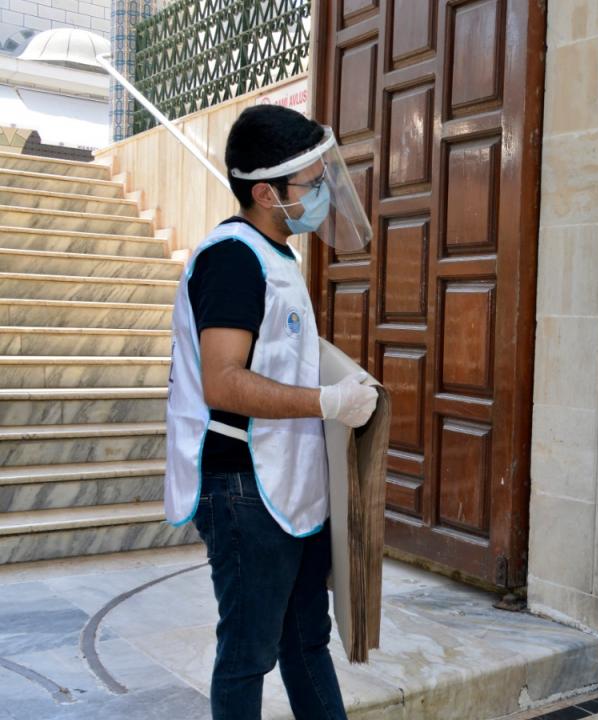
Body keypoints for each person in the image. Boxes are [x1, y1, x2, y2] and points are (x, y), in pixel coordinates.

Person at [164, 105, 377, 720]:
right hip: (243, 486)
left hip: (290, 479)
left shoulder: (275, 254)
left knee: (306, 639)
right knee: (248, 653)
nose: (322, 196)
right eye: (312, 185)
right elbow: (223, 382)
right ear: (266, 192)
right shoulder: (232, 258)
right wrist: (326, 401)